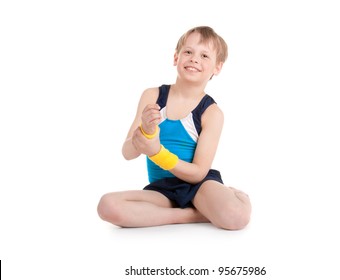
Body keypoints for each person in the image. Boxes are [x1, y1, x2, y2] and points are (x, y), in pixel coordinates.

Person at [97, 26, 251, 230]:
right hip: (162, 190)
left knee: (236, 217)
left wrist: (157, 152)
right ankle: (190, 215)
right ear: (176, 57)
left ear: (217, 68)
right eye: (188, 52)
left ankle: (233, 196)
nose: (195, 59)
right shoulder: (152, 97)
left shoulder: (212, 113)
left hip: (200, 187)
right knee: (107, 206)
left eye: (204, 55)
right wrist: (145, 131)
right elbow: (127, 153)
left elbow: (198, 173)